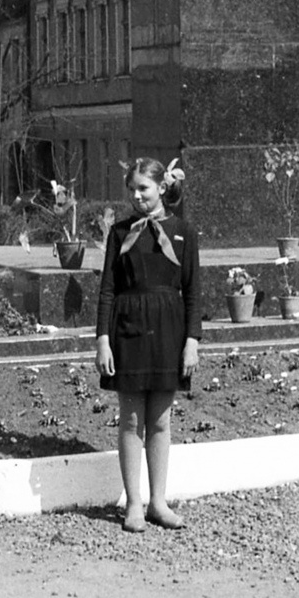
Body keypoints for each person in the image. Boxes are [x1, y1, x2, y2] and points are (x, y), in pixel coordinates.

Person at [95, 157, 201, 532]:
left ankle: (158, 501)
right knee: (131, 419)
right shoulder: (120, 232)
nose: (137, 195)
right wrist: (103, 339)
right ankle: (134, 504)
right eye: (132, 189)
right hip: (128, 329)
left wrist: (192, 340)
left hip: (168, 330)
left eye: (144, 188)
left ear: (161, 188)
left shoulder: (184, 231)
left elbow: (193, 292)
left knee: (159, 420)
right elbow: (108, 288)